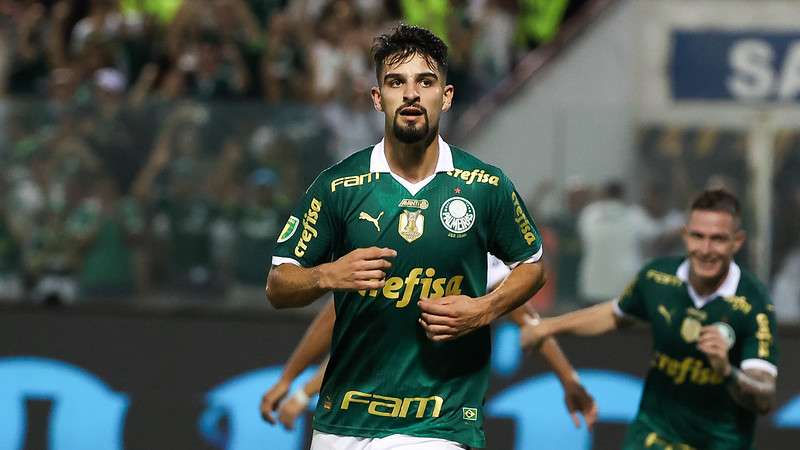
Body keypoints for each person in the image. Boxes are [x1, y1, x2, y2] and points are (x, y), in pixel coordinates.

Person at [266, 24, 547, 449]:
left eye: (426, 82)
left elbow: (532, 265)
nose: (411, 93)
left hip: (442, 420)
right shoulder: (338, 186)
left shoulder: (485, 186)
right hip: (343, 421)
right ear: (378, 98)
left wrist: (483, 310)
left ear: (446, 96)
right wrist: (328, 275)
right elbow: (278, 285)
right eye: (396, 82)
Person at [521, 189, 779, 449]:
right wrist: (547, 326)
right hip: (654, 436)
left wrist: (727, 371)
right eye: (698, 237)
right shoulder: (657, 278)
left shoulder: (753, 304)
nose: (705, 249)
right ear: (685, 235)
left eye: (718, 239)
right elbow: (614, 314)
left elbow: (764, 397)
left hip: (720, 443)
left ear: (737, 241)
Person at [260, 255, 597, 431]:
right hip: (367, 412)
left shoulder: (480, 256)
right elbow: (350, 332)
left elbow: (531, 325)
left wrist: (570, 379)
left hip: (439, 415)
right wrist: (295, 386)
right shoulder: (387, 251)